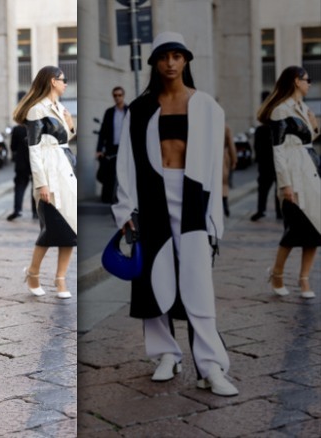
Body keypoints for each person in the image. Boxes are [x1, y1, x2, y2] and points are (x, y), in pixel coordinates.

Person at [112, 32, 238, 396]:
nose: (170, 63)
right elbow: (126, 163)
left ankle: (210, 366)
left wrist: (216, 217)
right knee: (154, 278)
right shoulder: (139, 108)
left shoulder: (207, 107)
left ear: (186, 61)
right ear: (153, 62)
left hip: (193, 197)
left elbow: (217, 167)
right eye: (163, 57)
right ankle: (166, 353)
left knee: (198, 282)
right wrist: (124, 209)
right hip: (151, 197)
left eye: (177, 56)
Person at [13, 66, 77, 300]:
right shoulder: (36, 111)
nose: (66, 84)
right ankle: (33, 273)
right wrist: (41, 185)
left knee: (72, 231)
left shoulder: (59, 108)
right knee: (50, 230)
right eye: (63, 80)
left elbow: (64, 140)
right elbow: (34, 151)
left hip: (67, 173)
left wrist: (70, 124)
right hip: (50, 176)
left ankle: (60, 280)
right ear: (52, 82)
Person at [259, 66, 320, 298]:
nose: (310, 84)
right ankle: (277, 274)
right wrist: (285, 184)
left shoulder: (304, 108)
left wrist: (314, 125)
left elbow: (307, 139)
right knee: (294, 229)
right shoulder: (280, 111)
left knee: (316, 229)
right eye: (307, 80)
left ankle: (304, 280)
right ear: (296, 81)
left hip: (312, 171)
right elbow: (279, 150)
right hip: (294, 175)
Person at [251, 91, 282, 222]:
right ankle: (278, 212)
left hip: (267, 161)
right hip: (274, 160)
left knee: (264, 187)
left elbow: (257, 147)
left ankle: (261, 210)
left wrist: (258, 159)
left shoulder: (261, 128)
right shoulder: (277, 111)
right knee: (276, 188)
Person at [96, 86, 128, 204]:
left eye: (120, 95)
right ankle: (107, 198)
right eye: (115, 95)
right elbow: (102, 132)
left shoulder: (129, 111)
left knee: (125, 174)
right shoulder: (109, 112)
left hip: (125, 148)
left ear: (123, 96)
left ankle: (125, 199)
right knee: (109, 173)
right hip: (111, 147)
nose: (117, 98)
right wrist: (99, 149)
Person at [6, 123, 38, 221]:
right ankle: (35, 212)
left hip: (21, 163)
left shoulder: (17, 129)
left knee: (19, 186)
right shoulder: (36, 127)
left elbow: (13, 147)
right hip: (35, 162)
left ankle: (17, 210)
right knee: (35, 188)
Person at [222, 124, 237, 217]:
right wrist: (234, 160)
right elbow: (231, 145)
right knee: (223, 183)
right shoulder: (226, 127)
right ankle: (225, 206)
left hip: (209, 158)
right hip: (223, 158)